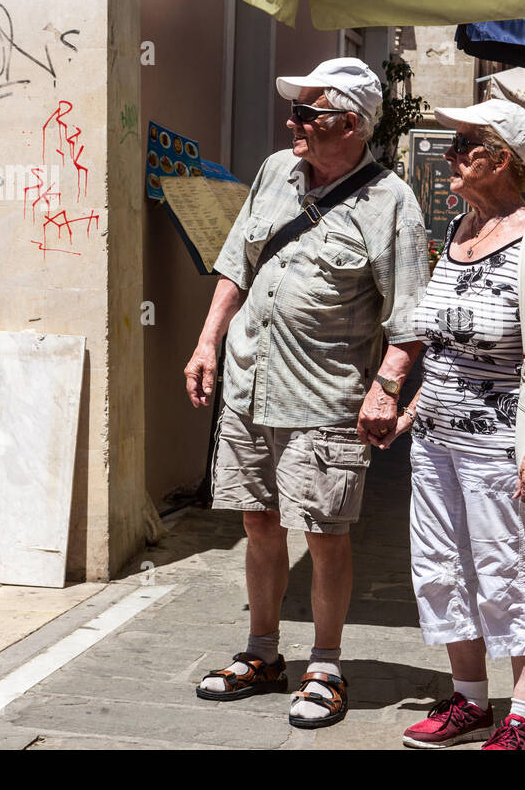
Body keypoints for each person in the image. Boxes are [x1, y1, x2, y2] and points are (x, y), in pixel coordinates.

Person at [184, 57, 430, 729]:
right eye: (295, 112)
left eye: (307, 115)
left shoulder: (392, 204)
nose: (292, 124)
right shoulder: (274, 172)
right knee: (257, 522)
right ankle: (263, 655)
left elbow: (409, 320)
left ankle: (325, 664)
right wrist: (208, 342)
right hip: (248, 386)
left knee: (324, 533)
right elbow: (237, 262)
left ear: (350, 124)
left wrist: (385, 391)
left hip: (325, 399)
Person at [377, 99, 525, 750]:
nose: (448, 152)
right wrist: (407, 410)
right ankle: (470, 702)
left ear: (501, 157)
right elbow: (442, 342)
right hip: (437, 441)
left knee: (509, 569)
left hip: (501, 442)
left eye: (464, 142)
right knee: (440, 569)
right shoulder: (462, 228)